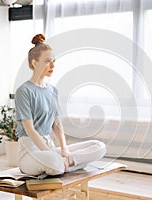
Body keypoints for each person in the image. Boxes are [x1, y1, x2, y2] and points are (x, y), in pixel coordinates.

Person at [15, 34, 106, 176]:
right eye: (47, 61)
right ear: (34, 63)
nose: (52, 66)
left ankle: (69, 162)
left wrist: (64, 150)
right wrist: (53, 155)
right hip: (30, 151)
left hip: (49, 149)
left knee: (99, 146)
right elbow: (30, 130)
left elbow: (56, 124)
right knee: (54, 163)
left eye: (54, 61)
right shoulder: (24, 91)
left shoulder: (52, 91)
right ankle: (67, 164)